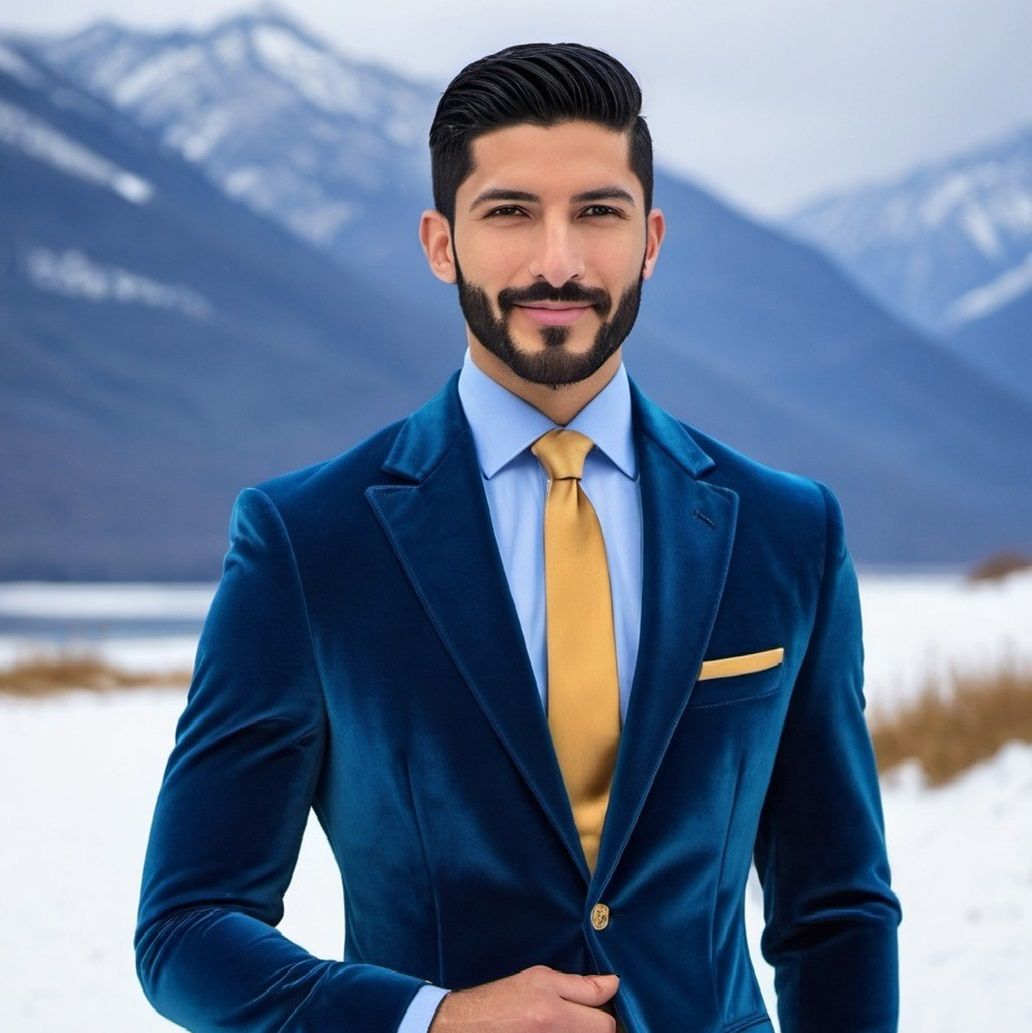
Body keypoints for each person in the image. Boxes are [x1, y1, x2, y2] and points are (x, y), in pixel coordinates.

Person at [134, 42, 901, 1033]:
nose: (558, 261)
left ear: (651, 238)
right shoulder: (309, 541)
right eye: (509, 212)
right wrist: (432, 1020)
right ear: (440, 241)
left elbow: (836, 907)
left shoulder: (788, 531)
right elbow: (188, 929)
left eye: (597, 211)